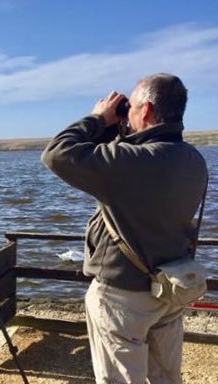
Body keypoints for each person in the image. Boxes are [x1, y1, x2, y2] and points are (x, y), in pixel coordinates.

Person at [41, 73, 208, 384]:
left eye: (131, 107)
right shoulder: (193, 160)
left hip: (122, 297)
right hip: (171, 287)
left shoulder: (131, 162)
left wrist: (96, 119)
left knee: (119, 378)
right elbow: (129, 172)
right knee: (165, 378)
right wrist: (117, 130)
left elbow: (57, 153)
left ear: (144, 110)